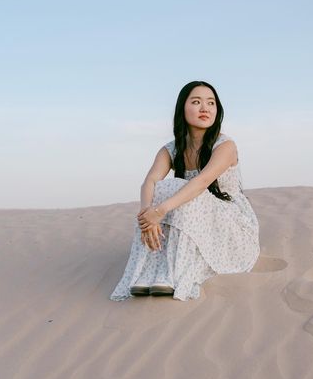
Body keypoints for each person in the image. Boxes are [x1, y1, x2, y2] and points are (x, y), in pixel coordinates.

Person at [109, 80, 260, 302]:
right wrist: (146, 215)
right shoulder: (171, 149)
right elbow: (149, 181)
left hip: (230, 224)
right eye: (196, 102)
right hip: (196, 217)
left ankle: (171, 273)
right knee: (159, 190)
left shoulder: (225, 146)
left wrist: (160, 211)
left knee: (176, 189)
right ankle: (147, 273)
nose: (205, 108)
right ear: (183, 108)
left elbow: (202, 181)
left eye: (211, 103)